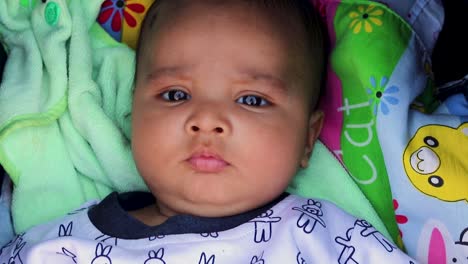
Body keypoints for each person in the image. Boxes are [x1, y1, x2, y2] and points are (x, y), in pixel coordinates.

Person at [0, 0, 417, 263]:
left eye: (252, 99)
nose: (206, 120)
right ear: (132, 111)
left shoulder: (329, 237)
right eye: (176, 94)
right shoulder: (56, 245)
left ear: (307, 139)